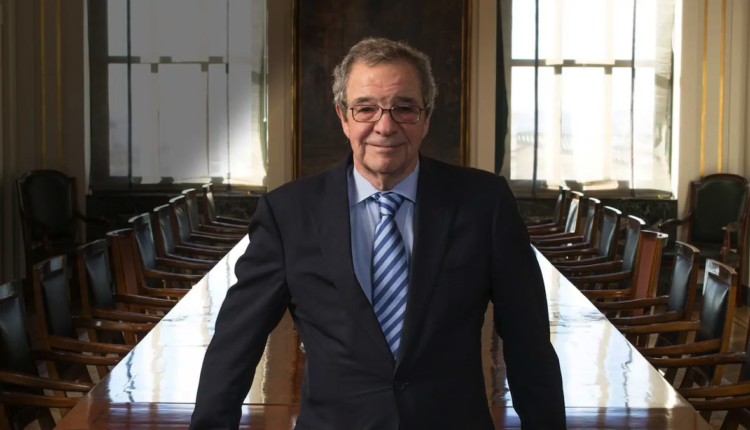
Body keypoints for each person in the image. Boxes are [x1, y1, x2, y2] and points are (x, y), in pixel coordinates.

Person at [189, 37, 566, 430]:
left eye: (404, 108)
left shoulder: (484, 203)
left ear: (426, 117)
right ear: (343, 116)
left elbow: (529, 343)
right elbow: (237, 342)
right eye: (366, 108)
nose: (385, 127)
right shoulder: (288, 213)